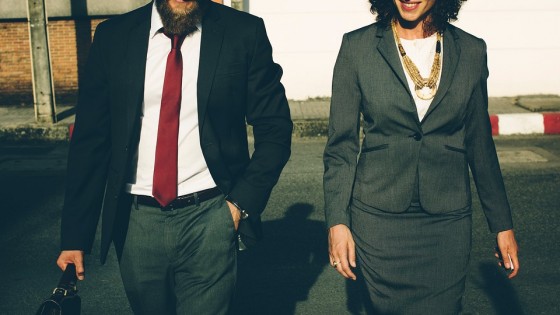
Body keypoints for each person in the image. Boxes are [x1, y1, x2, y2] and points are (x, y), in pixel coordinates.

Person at [56, 0, 292, 314]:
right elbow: (91, 141)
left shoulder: (242, 32)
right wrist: (75, 236)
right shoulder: (114, 36)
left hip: (210, 214)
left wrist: (239, 205)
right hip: (136, 220)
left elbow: (274, 126)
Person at [323, 0, 519, 313]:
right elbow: (341, 147)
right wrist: (337, 222)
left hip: (446, 224)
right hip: (378, 221)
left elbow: (480, 144)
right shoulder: (356, 47)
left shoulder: (471, 50)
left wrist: (501, 224)